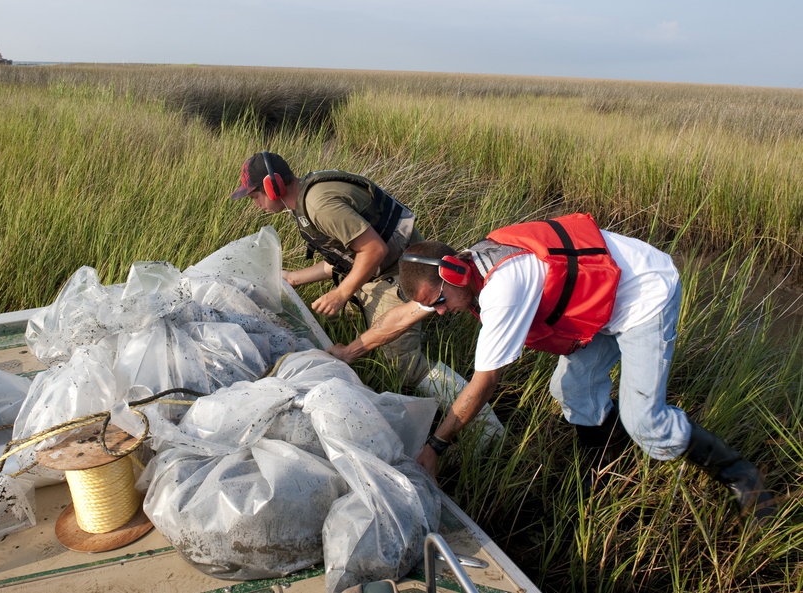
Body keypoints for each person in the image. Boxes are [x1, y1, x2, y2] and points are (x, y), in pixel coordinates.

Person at [395, 213, 777, 526]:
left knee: (646, 422)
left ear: (455, 274)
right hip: (601, 306)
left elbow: (485, 382)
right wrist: (354, 349)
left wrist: (436, 445)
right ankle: (606, 472)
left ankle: (743, 476)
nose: (441, 312)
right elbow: (407, 314)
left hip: (644, 296)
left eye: (439, 302)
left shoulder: (503, 288)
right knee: (571, 391)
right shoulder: (471, 266)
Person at [230, 151, 433, 388]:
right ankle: (413, 329)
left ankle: (480, 416)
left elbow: (374, 250)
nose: (255, 205)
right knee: (343, 325)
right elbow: (344, 256)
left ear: (273, 187)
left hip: (400, 273)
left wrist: (340, 295)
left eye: (255, 196)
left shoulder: (319, 206)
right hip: (378, 270)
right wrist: (294, 278)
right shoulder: (305, 199)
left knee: (404, 368)